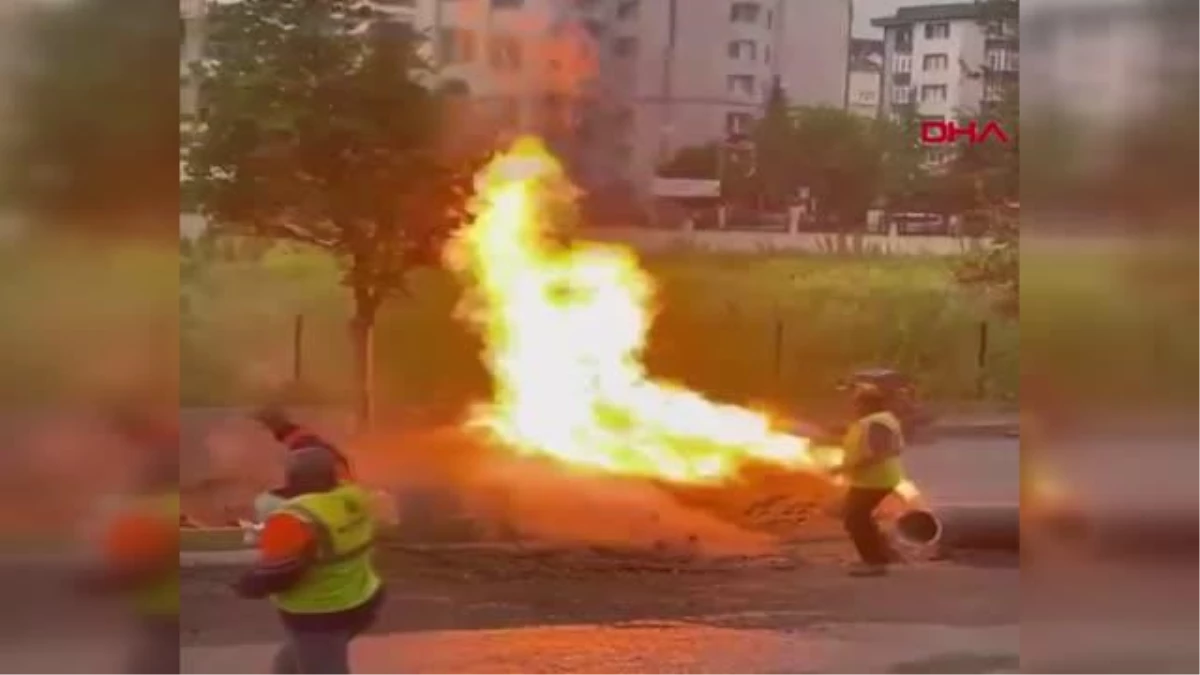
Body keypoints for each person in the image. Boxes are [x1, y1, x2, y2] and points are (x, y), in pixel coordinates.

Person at [233, 437, 384, 675]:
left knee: (321, 664)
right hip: (364, 598)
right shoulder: (355, 498)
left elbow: (276, 574)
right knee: (295, 660)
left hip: (320, 613)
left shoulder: (293, 518)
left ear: (291, 479)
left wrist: (246, 584)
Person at [78, 409, 181, 675]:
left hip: (163, 614)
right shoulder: (172, 507)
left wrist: (97, 582)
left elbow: (142, 566)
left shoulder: (149, 513)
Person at [831, 381, 908, 577]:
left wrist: (844, 468)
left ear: (867, 404)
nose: (853, 407)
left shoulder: (876, 422)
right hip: (870, 480)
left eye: (856, 403)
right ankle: (882, 555)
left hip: (876, 480)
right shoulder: (875, 420)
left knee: (855, 519)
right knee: (857, 517)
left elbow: (877, 453)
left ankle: (874, 562)